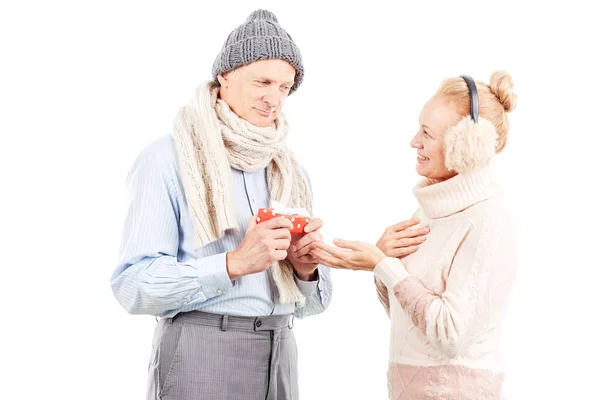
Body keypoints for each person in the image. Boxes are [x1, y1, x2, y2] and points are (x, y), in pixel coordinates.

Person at [110, 9, 332, 400]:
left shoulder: (290, 170)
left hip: (281, 352)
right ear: (225, 76)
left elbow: (311, 306)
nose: (274, 99)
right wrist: (233, 264)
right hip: (201, 349)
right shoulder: (165, 160)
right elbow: (133, 286)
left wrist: (304, 269)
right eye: (262, 81)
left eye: (285, 86)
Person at [314, 71, 517, 399]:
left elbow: (450, 336)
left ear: (467, 143)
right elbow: (409, 321)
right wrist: (382, 265)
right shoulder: (426, 213)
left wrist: (384, 266)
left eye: (427, 133)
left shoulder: (488, 220)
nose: (414, 142)